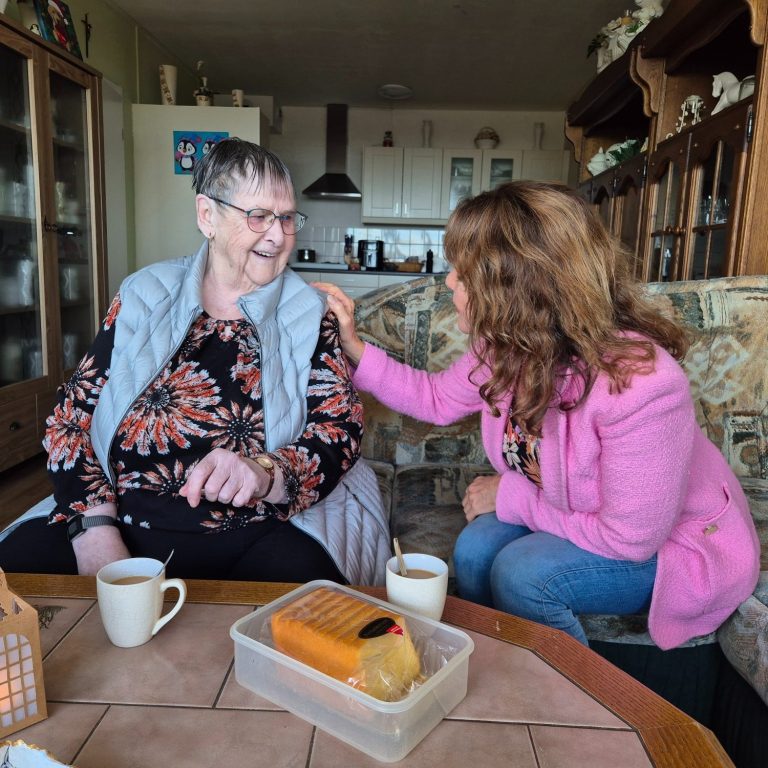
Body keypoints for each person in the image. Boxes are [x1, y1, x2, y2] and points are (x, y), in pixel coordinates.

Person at [315, 181, 760, 650]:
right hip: (577, 516)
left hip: (676, 546)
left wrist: (511, 497)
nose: (448, 283)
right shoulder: (507, 347)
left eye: (463, 275)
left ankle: (576, 710)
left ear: (519, 288)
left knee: (523, 575)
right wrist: (353, 347)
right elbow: (436, 399)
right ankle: (496, 667)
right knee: (474, 549)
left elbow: (630, 540)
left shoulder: (643, 384)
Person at [0, 138, 390, 584]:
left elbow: (338, 430)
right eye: (259, 216)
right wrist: (93, 529)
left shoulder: (308, 312)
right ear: (207, 215)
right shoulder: (143, 294)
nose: (278, 235)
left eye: (286, 218)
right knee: (14, 580)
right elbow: (70, 419)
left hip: (253, 529)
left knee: (308, 611)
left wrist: (266, 472)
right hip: (122, 517)